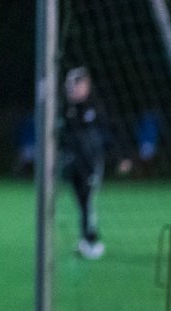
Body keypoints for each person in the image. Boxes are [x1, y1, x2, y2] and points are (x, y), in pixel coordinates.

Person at [61, 67, 132, 260]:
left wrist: (122, 157)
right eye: (71, 85)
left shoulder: (96, 108)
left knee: (88, 202)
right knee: (81, 202)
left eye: (77, 85)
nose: (73, 89)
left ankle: (92, 241)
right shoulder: (65, 110)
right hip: (72, 164)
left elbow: (112, 133)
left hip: (91, 164)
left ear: (86, 86)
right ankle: (85, 239)